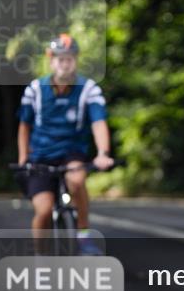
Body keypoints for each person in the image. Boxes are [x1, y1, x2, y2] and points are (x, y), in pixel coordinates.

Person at [17, 34, 114, 254]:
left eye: (70, 58)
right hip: (40, 156)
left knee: (77, 180)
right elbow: (24, 126)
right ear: (51, 61)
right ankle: (40, 258)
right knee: (43, 209)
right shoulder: (35, 89)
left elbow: (99, 123)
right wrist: (24, 158)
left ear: (76, 61)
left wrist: (103, 153)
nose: (65, 63)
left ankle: (83, 235)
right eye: (60, 58)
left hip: (72, 152)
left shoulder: (89, 89)